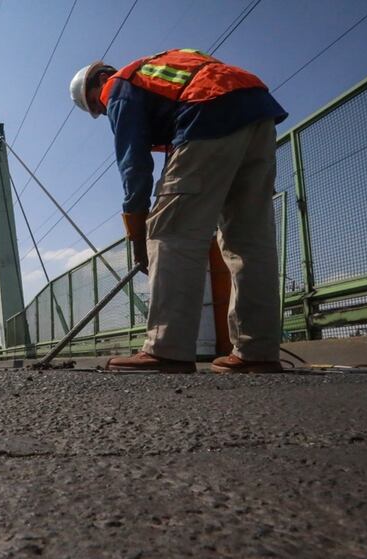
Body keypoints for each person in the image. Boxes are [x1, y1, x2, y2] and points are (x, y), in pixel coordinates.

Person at [69, 49, 288, 374]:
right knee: (249, 240)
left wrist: (138, 232)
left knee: (170, 230)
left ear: (100, 81)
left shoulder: (119, 85)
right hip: (257, 109)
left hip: (207, 110)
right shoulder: (162, 69)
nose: (105, 112)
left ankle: (166, 347)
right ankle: (257, 351)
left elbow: (134, 165)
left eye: (98, 108)